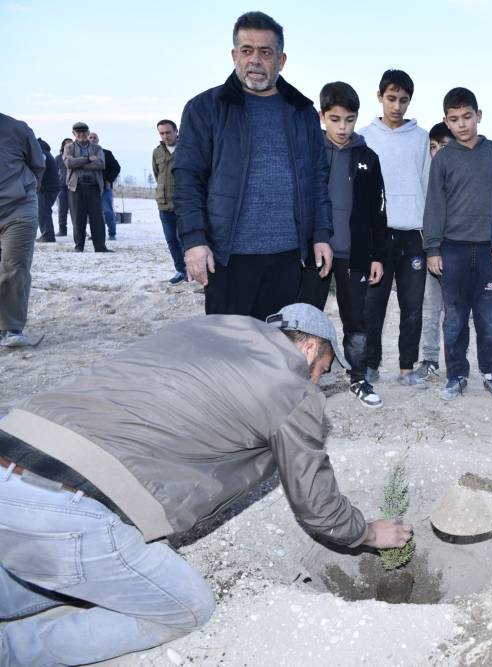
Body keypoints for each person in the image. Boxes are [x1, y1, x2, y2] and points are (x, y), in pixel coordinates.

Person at [0, 303, 412, 665]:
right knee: (189, 607)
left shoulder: (208, 327)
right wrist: (371, 532)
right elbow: (318, 507)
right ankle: (13, 650)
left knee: (45, 566)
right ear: (308, 348)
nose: (317, 382)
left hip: (14, 450)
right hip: (70, 506)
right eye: (322, 369)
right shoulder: (292, 388)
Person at [174, 11, 333, 320]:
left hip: (289, 258)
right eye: (247, 51)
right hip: (228, 257)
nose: (255, 60)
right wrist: (194, 241)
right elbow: (187, 179)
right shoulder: (205, 109)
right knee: (229, 352)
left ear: (281, 60)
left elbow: (317, 179)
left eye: (265, 52)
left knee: (277, 352)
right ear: (234, 56)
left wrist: (322, 234)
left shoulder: (302, 112)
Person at [299, 81, 388, 408]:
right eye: (335, 119)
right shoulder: (309, 154)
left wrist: (378, 254)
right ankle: (303, 379)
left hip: (355, 255)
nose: (342, 127)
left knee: (356, 320)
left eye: (349, 120)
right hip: (315, 254)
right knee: (307, 318)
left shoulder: (368, 157)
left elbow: (379, 209)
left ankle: (359, 376)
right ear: (323, 117)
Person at [423, 87, 492, 402]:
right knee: (455, 318)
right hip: (453, 251)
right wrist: (433, 248)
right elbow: (434, 205)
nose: (461, 125)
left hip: (491, 251)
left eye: (467, 117)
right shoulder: (443, 159)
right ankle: (456, 375)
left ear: (479, 115)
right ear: (446, 121)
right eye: (454, 119)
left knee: (489, 318)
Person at [357, 69, 431, 388]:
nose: (397, 106)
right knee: (373, 307)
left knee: (412, 307)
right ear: (379, 97)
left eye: (403, 100)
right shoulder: (364, 137)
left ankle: (406, 369)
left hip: (412, 236)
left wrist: (430, 235)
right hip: (377, 236)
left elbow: (427, 186)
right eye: (391, 98)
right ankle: (370, 365)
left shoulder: (421, 137)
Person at [413, 122, 454, 381]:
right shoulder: (425, 178)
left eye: (444, 146)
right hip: (430, 250)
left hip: (459, 250)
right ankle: (429, 359)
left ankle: (457, 363)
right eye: (433, 146)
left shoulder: (462, 175)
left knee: (458, 311)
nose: (437, 151)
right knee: (430, 307)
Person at [0, 113, 45, 348]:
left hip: (18, 207)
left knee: (13, 265)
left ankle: (11, 327)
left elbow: (38, 164)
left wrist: (25, 191)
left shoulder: (17, 129)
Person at [62, 121, 110, 253]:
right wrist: (88, 159)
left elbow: (100, 164)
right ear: (74, 134)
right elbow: (69, 163)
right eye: (78, 132)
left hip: (93, 187)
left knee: (97, 219)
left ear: (88, 133)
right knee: (78, 218)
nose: (81, 134)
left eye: (84, 132)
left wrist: (79, 163)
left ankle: (100, 247)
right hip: (76, 187)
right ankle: (79, 247)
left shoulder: (97, 148)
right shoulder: (69, 148)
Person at [152, 119, 187, 284]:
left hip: (184, 204)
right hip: (164, 205)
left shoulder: (187, 149)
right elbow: (156, 174)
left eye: (168, 132)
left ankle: (192, 271)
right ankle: (181, 271)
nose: (165, 136)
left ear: (176, 131)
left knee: (185, 239)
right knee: (171, 240)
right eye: (162, 133)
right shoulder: (157, 152)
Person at [89, 132, 120, 241]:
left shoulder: (107, 153)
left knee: (107, 211)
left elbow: (116, 167)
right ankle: (96, 233)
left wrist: (109, 180)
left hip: (105, 187)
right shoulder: (84, 154)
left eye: (94, 138)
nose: (92, 139)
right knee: (93, 212)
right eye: (90, 137)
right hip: (90, 187)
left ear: (98, 140)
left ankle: (112, 233)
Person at [35, 138, 60, 243]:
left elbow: (41, 167)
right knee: (44, 210)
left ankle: (48, 235)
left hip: (46, 187)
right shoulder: (45, 152)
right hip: (51, 187)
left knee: (43, 211)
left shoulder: (41, 152)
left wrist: (38, 182)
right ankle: (47, 234)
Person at [55, 137, 72, 236]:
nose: (68, 145)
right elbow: (54, 171)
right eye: (66, 144)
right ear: (63, 146)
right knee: (62, 209)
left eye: (70, 143)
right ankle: (62, 230)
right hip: (62, 187)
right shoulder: (58, 158)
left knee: (76, 210)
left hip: (74, 187)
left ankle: (79, 230)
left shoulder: (76, 156)